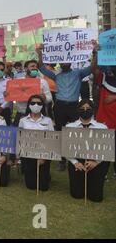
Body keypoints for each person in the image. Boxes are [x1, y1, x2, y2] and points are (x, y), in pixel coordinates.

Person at [37, 41, 98, 171]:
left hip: (74, 107)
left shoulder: (78, 73)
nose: (64, 63)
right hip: (59, 106)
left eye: (67, 61)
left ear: (70, 62)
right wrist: (39, 52)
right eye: (62, 62)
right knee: (60, 132)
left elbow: (92, 68)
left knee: (76, 132)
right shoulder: (56, 75)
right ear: (59, 63)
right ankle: (62, 161)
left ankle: (77, 157)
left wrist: (94, 52)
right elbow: (41, 67)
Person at [65, 100, 110, 202]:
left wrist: (96, 162)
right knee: (77, 195)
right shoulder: (69, 127)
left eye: (88, 109)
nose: (85, 111)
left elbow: (106, 149)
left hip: (96, 161)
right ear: (78, 110)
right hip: (77, 161)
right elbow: (66, 148)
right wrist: (75, 163)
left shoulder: (102, 127)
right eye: (82, 109)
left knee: (96, 197)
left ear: (93, 110)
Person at [18, 94, 54, 191]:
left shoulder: (48, 120)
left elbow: (52, 140)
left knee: (43, 187)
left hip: (43, 155)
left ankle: (46, 175)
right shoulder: (22, 120)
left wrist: (44, 157)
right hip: (27, 156)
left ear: (42, 105)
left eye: (39, 103)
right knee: (31, 185)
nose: (36, 105)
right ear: (29, 105)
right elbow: (19, 139)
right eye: (33, 103)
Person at [12, 60, 52, 126]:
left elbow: (49, 98)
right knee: (17, 135)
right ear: (25, 68)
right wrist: (8, 94)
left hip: (38, 116)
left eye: (36, 66)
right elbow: (12, 95)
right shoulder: (18, 81)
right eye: (32, 66)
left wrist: (45, 98)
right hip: (22, 114)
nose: (35, 68)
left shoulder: (43, 82)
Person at [93, 65, 116, 179]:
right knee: (105, 147)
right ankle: (103, 171)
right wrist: (95, 54)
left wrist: (114, 97)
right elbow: (95, 70)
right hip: (105, 119)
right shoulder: (104, 77)